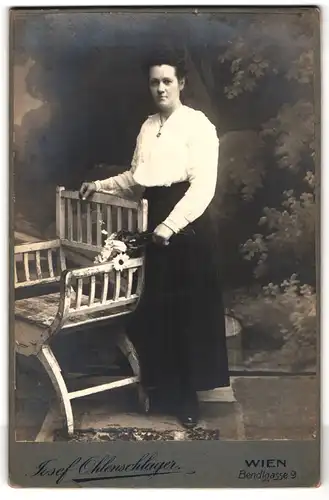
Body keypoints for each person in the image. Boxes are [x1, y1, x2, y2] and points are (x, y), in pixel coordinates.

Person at [79, 51, 230, 429]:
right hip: (154, 217)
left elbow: (203, 186)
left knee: (186, 313)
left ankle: (188, 400)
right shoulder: (148, 127)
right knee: (156, 310)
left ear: (182, 83)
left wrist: (172, 224)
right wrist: (99, 185)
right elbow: (136, 177)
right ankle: (163, 390)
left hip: (188, 223)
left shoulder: (198, 126)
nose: (160, 88)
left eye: (167, 80)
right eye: (154, 82)